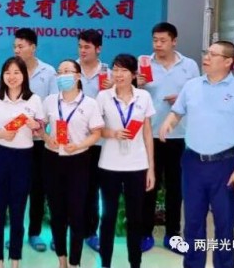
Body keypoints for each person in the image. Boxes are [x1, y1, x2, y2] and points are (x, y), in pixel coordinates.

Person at [159, 41, 234, 268]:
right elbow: (177, 111)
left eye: (213, 54)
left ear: (228, 61)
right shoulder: (191, 86)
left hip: (225, 165)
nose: (206, 57)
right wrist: (169, 122)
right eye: (206, 52)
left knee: (224, 225)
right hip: (193, 162)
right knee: (193, 223)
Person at [139, 22, 200, 253]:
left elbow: (198, 96)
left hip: (179, 135)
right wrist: (137, 83)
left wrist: (182, 99)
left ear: (174, 41)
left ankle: (173, 235)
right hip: (150, 134)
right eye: (155, 40)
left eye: (163, 40)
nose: (158, 44)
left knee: (176, 188)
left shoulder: (189, 65)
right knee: (149, 186)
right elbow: (133, 96)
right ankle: (145, 233)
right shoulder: (144, 62)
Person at [42, 59, 104, 268]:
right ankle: (62, 260)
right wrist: (46, 137)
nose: (62, 76)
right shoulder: (50, 101)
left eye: (67, 71)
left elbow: (96, 133)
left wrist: (78, 145)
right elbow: (40, 126)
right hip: (53, 160)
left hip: (78, 161)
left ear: (78, 76)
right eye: (59, 72)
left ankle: (75, 262)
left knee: (77, 213)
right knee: (57, 213)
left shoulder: (90, 104)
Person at [0, 56, 45, 268]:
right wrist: (0, 134)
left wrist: (35, 125)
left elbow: (41, 131)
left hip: (24, 158)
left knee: (18, 209)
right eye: (7, 72)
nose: (12, 76)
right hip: (0, 156)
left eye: (16, 72)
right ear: (2, 76)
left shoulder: (34, 100)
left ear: (24, 76)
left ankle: (15, 259)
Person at [96, 54, 155, 268]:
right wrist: (113, 133)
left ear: (134, 74)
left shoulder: (143, 97)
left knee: (135, 218)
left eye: (124, 70)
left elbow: (147, 133)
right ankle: (105, 262)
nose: (118, 74)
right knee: (108, 217)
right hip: (109, 165)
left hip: (137, 165)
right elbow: (96, 129)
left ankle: (135, 262)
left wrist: (151, 168)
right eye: (115, 69)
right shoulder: (103, 96)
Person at [13, 27, 57, 252]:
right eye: (15, 46)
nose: (16, 50)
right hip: (16, 141)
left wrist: (41, 128)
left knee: (38, 188)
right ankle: (15, 233)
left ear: (33, 47)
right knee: (17, 188)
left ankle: (34, 233)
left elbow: (53, 105)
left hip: (39, 141)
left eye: (21, 46)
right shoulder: (11, 70)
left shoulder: (48, 72)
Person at [76, 29, 112, 253]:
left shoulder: (109, 73)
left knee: (93, 190)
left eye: (87, 47)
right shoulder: (70, 70)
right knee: (72, 189)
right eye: (80, 46)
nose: (82, 51)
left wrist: (113, 88)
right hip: (74, 141)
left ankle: (90, 232)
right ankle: (68, 232)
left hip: (98, 142)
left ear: (98, 49)